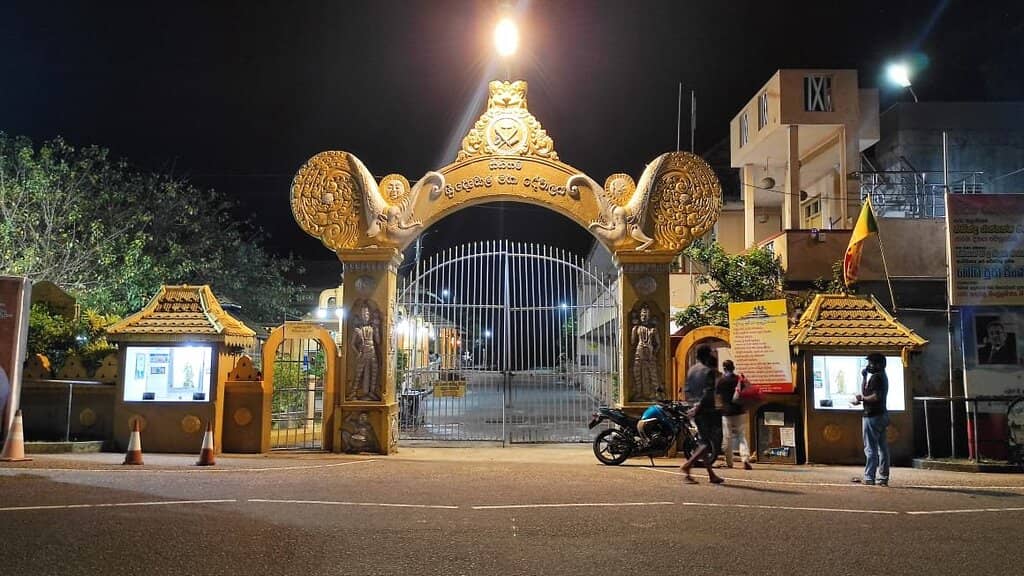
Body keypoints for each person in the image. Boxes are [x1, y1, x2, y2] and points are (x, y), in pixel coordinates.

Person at [680, 345, 724, 485]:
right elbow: (708, 392)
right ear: (706, 355)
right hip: (706, 410)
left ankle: (711, 474)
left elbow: (687, 389)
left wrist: (692, 406)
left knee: (702, 441)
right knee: (710, 442)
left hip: (693, 407)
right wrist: (699, 406)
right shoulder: (708, 371)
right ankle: (688, 465)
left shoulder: (692, 370)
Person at [851, 353, 890, 486]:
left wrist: (862, 399)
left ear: (879, 364)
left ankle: (869, 477)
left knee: (870, 448)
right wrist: (864, 378)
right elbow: (866, 392)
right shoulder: (880, 376)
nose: (869, 366)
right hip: (882, 415)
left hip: (873, 416)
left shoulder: (877, 377)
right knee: (882, 448)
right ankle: (883, 477)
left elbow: (875, 397)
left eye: (871, 363)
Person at [716, 360, 752, 470]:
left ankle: (729, 462)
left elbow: (718, 397)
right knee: (742, 436)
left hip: (726, 413)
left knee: (727, 438)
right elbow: (748, 390)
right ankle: (745, 459)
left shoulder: (721, 381)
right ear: (733, 367)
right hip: (739, 411)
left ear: (724, 368)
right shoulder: (738, 379)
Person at [349, 305, 381, 401]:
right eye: (363, 314)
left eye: (367, 313)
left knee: (374, 372)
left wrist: (377, 329)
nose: (365, 316)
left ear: (370, 315)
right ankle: (353, 393)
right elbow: (352, 344)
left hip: (372, 352)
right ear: (361, 315)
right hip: (363, 353)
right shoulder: (357, 330)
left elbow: (378, 341)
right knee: (359, 373)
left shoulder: (372, 328)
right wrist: (357, 353)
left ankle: (372, 392)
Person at [631, 305, 662, 401]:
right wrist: (633, 330)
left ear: (649, 316)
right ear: (640, 316)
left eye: (646, 314)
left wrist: (654, 353)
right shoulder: (636, 328)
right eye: (642, 314)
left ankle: (657, 394)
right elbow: (632, 342)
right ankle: (638, 393)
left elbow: (659, 344)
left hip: (650, 353)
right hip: (639, 353)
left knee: (653, 373)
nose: (644, 316)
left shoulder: (653, 329)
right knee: (636, 372)